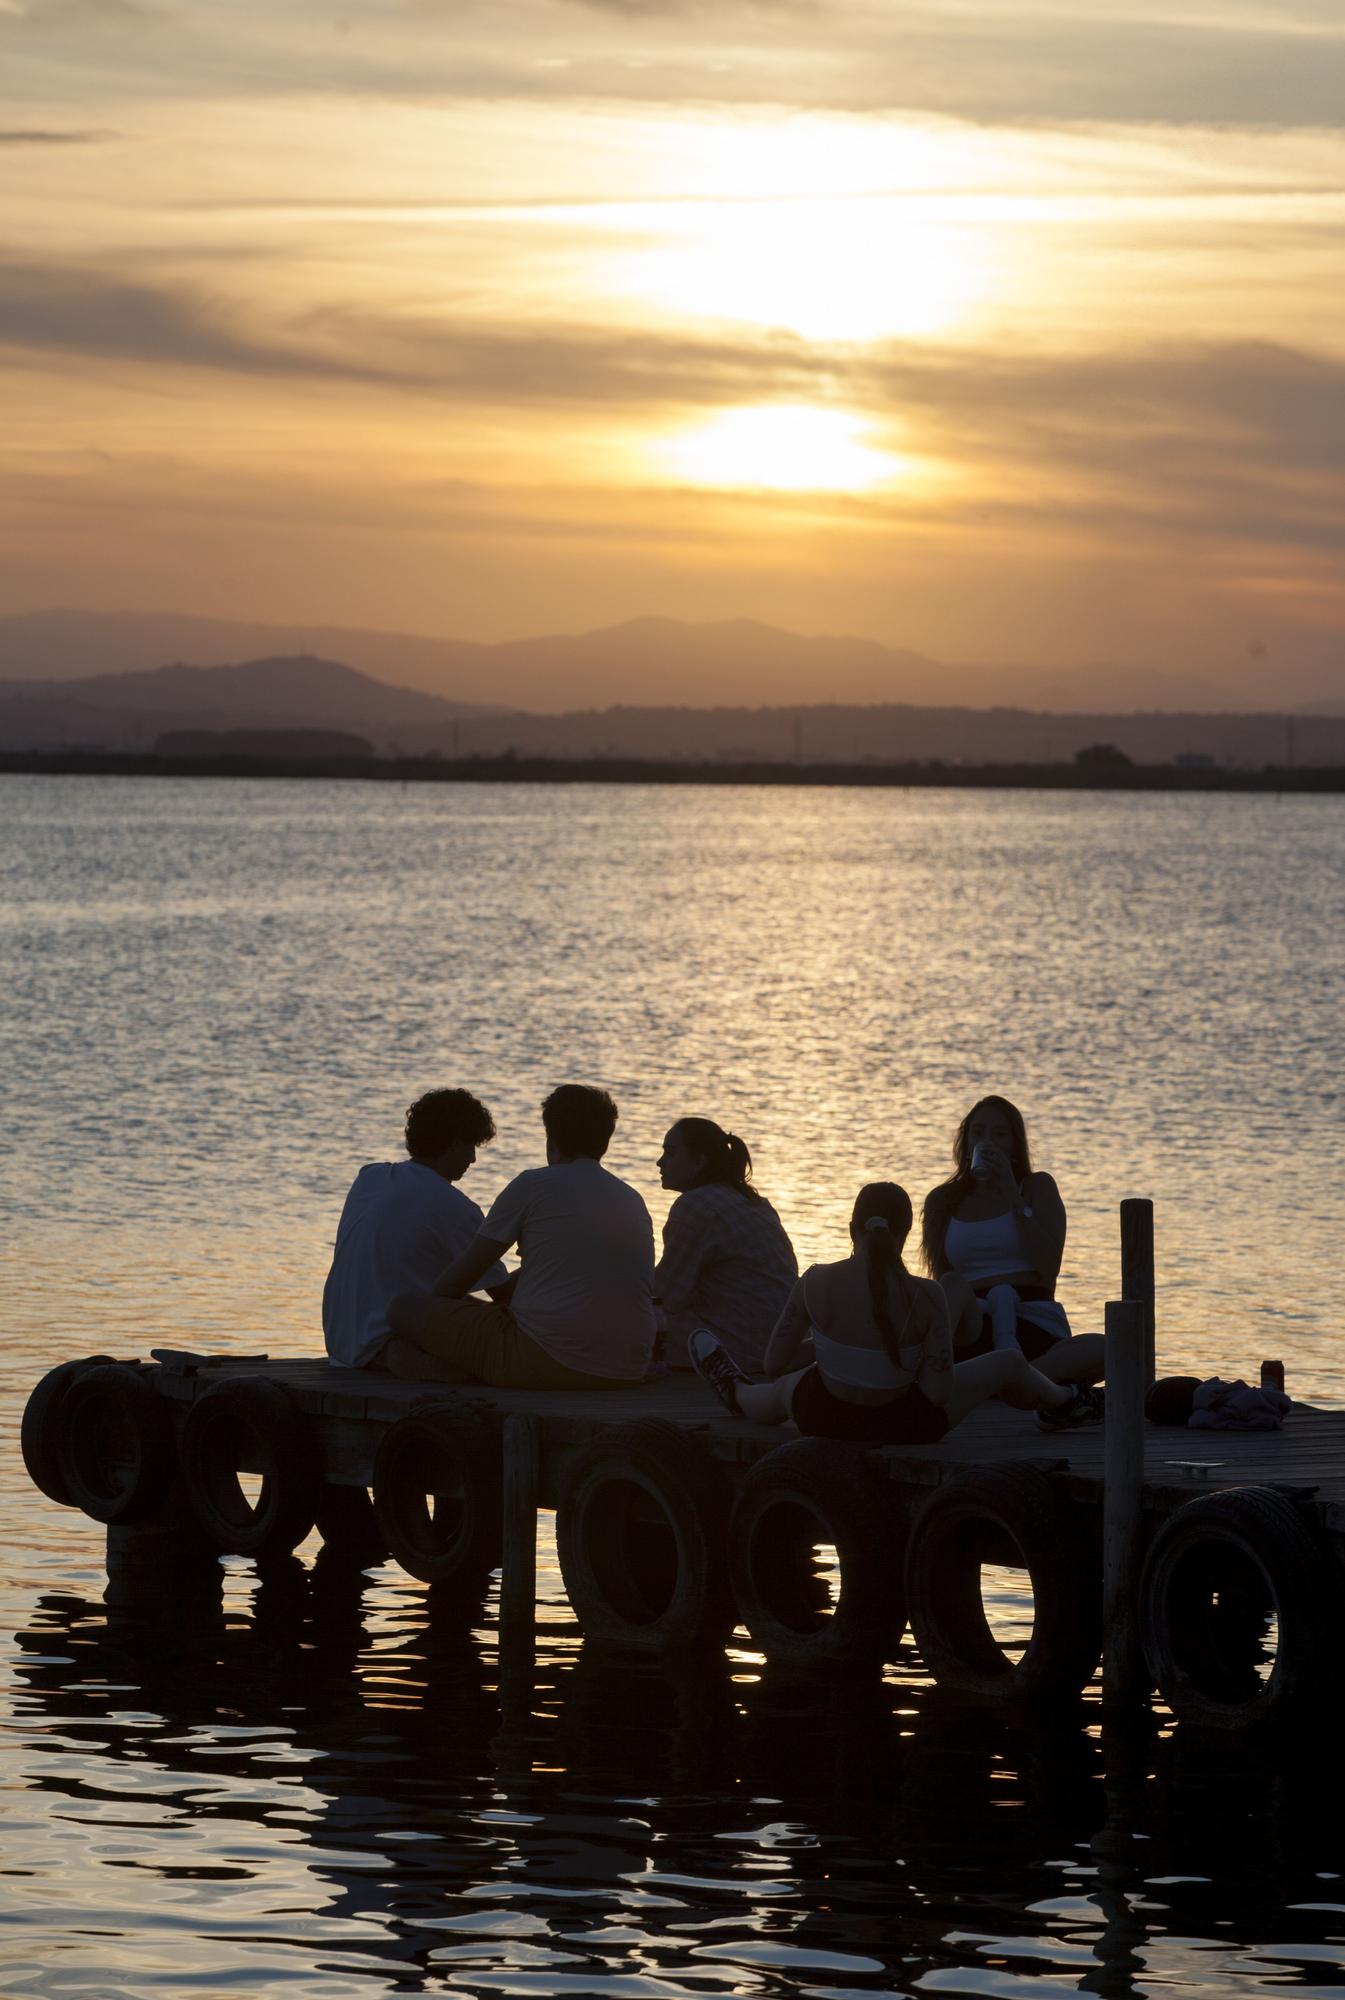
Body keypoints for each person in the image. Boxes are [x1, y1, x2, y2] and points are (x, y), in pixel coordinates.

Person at [689, 1181, 1103, 1439]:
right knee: (1010, 1361)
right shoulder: (926, 1296)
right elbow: (938, 1392)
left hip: (826, 1419)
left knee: (785, 1387)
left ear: (851, 1229)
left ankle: (738, 1392)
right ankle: (1067, 1400)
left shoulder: (814, 1281)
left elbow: (774, 1363)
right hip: (908, 1427)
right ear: (906, 1234)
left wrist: (828, 1347)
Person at [386, 1083, 656, 1389]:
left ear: (550, 1136)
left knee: (404, 1307)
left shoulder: (533, 1185)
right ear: (604, 1140)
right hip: (628, 1366)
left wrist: (436, 1322)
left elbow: (455, 1282)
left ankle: (460, 1372)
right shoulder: (631, 1198)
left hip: (544, 1359)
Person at [921, 1095, 1104, 1387]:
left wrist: (1011, 1194)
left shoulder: (1036, 1187)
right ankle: (1010, 1382)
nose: (988, 1141)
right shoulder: (942, 1200)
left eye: (999, 1134)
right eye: (978, 1132)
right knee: (950, 1290)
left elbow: (1047, 1267)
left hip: (1030, 1316)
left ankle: (1001, 1381)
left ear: (1015, 1144)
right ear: (966, 1143)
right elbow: (940, 1279)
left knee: (1107, 1348)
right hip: (972, 1321)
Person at [322, 1088, 507, 1372]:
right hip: (386, 1343)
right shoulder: (452, 1205)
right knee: (501, 1345)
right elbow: (503, 1293)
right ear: (456, 1143)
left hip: (342, 1342)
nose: (473, 1160)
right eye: (471, 1147)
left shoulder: (370, 1178)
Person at [654, 1117, 797, 1373]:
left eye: (671, 1153)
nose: (660, 1162)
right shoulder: (754, 1201)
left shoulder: (695, 1206)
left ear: (700, 1161)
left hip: (737, 1348)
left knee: (627, 1323)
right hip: (775, 1343)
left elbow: (666, 1296)